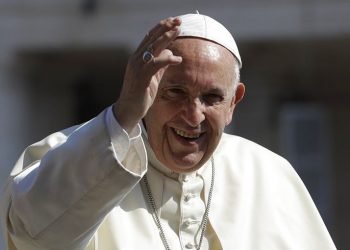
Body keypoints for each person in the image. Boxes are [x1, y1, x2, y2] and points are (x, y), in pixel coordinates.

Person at [0, 13, 336, 250]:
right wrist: (121, 119)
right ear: (145, 88)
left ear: (233, 102)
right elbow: (35, 236)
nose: (193, 116)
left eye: (212, 98)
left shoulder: (271, 174)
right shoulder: (70, 153)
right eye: (175, 93)